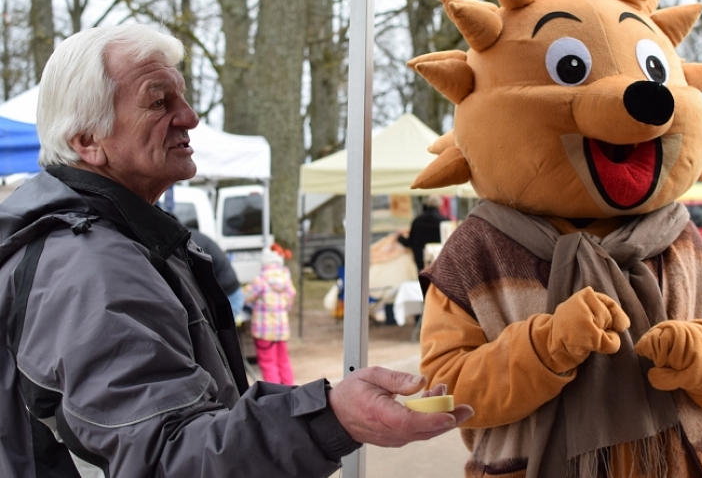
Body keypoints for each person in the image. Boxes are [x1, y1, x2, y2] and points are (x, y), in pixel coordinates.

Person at [0, 24, 473, 478]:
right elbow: (168, 458)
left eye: (182, 97)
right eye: (159, 102)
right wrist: (333, 418)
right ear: (88, 142)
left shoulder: (116, 241)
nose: (190, 117)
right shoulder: (90, 266)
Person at [243, 246, 296, 384]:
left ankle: (275, 395)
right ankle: (290, 391)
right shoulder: (286, 278)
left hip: (264, 331)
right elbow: (290, 298)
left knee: (268, 363)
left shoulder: (261, 279)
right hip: (281, 329)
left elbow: (245, 296)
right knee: (283, 362)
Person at [188, 227, 245, 319]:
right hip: (231, 291)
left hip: (228, 295)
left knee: (222, 330)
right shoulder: (193, 235)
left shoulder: (189, 241)